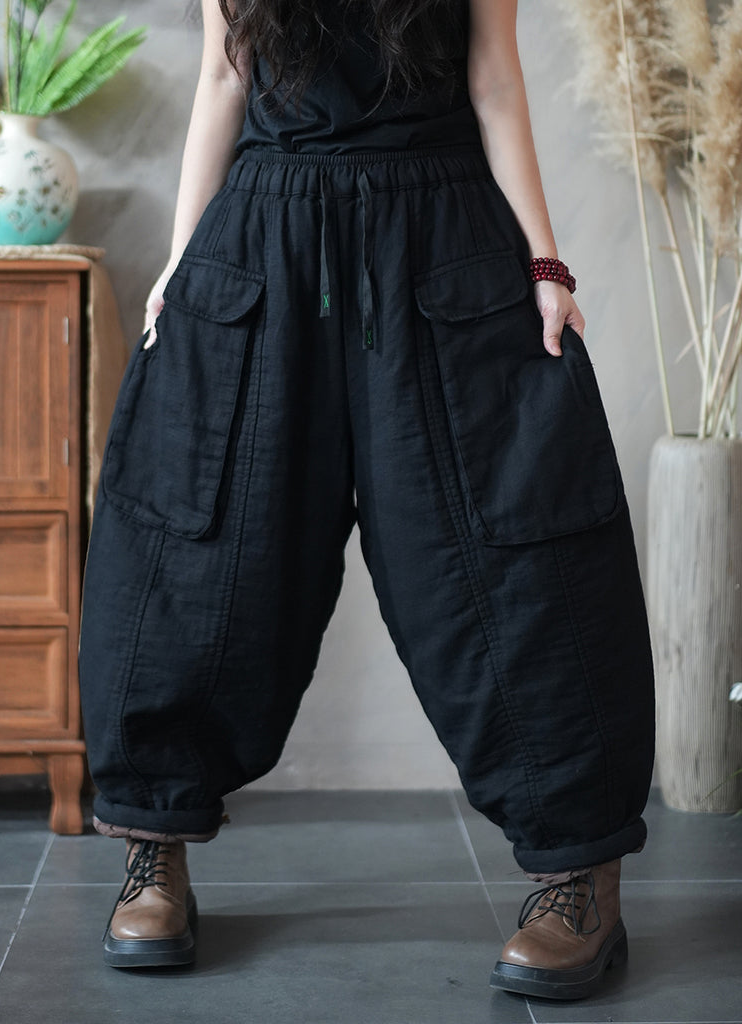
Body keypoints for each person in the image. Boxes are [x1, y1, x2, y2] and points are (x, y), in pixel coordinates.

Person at [79, 0, 655, 1001]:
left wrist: (545, 262)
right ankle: (154, 849)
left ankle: (579, 875)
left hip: (441, 234)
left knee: (510, 556)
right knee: (200, 544)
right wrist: (181, 255)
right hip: (263, 233)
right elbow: (222, 77)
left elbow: (494, 79)